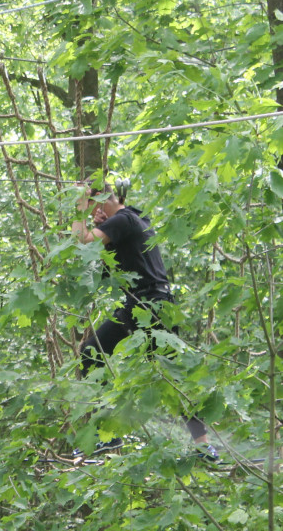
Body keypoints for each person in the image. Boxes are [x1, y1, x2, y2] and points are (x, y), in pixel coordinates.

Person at [72, 178, 217, 461]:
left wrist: (79, 205)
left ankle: (202, 443)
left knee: (171, 375)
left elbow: (83, 241)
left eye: (92, 209)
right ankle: (107, 434)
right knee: (92, 352)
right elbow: (101, 260)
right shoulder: (134, 217)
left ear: (100, 201)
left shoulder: (124, 220)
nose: (92, 217)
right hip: (140, 306)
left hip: (151, 307)